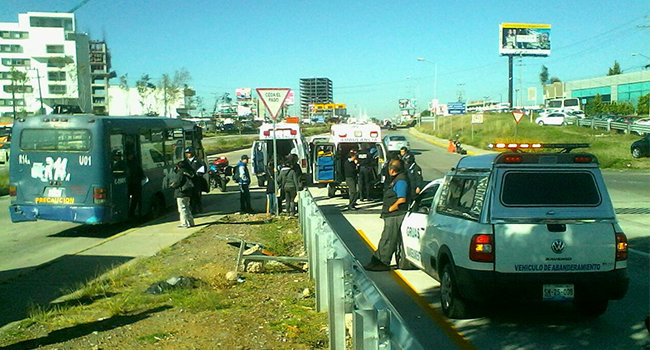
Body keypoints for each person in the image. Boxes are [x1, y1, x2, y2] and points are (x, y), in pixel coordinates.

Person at [364, 159, 409, 271]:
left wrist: (391, 208)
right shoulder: (396, 179)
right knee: (385, 238)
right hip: (390, 215)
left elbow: (402, 199)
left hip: (395, 214)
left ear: (392, 170)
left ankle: (383, 262)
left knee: (389, 239)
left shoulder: (401, 181)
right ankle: (376, 260)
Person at [170, 161, 195, 228]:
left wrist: (172, 185)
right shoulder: (188, 172)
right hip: (188, 192)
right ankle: (191, 222)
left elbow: (178, 182)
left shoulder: (180, 172)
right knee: (187, 207)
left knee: (182, 208)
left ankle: (185, 223)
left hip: (181, 192)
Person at [183, 147, 206, 214]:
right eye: (186, 153)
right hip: (188, 181)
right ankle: (193, 210)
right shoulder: (185, 161)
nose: (188, 154)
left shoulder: (198, 160)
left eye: (189, 153)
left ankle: (199, 209)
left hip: (196, 180)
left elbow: (203, 167)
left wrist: (199, 173)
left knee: (197, 196)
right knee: (190, 196)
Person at [125, 148, 144, 217]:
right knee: (132, 199)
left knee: (135, 199)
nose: (131, 156)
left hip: (135, 183)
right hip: (131, 183)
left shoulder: (133, 163)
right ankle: (131, 212)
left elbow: (140, 173)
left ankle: (132, 212)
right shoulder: (131, 163)